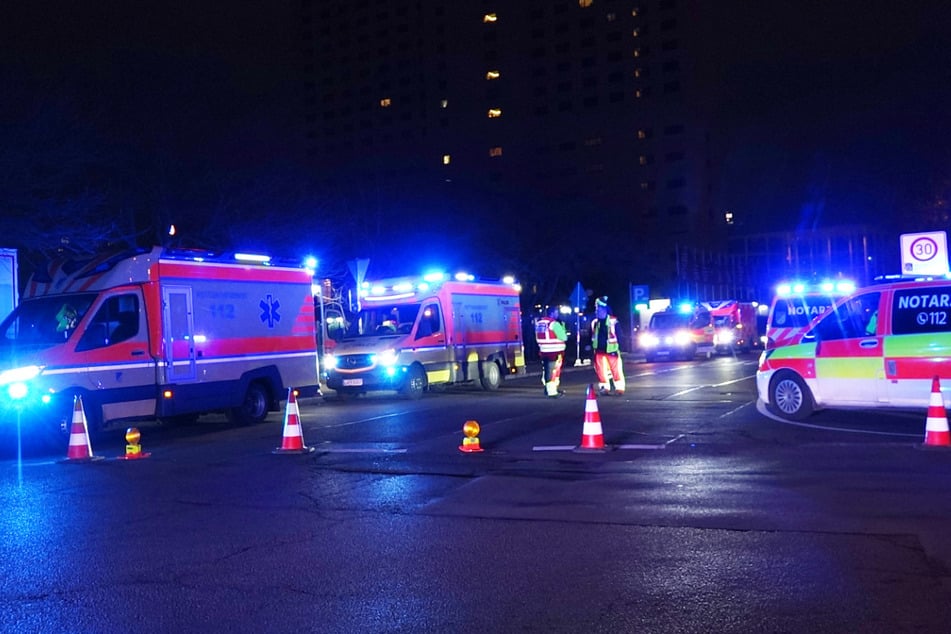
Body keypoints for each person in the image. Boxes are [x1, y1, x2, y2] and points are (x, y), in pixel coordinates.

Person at [591, 297, 625, 396]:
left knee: (616, 370)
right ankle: (604, 388)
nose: (596, 311)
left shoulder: (613, 321)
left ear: (604, 310)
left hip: (611, 350)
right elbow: (592, 336)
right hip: (599, 350)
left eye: (598, 309)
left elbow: (619, 335)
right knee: (601, 371)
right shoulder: (595, 322)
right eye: (596, 309)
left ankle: (619, 388)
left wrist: (621, 347)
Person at [534, 305, 568, 398]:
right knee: (553, 372)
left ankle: (549, 389)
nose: (557, 315)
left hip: (543, 351)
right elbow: (564, 337)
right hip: (555, 352)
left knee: (547, 371)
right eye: (556, 313)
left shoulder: (539, 323)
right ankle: (552, 392)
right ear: (552, 313)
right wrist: (563, 328)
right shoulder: (554, 324)